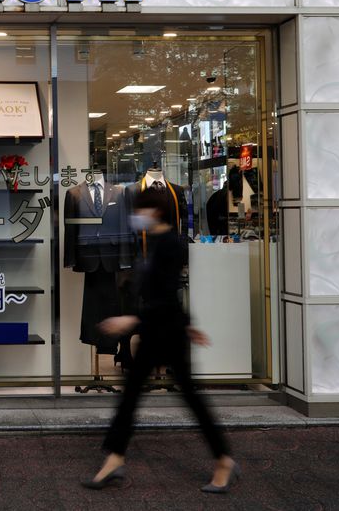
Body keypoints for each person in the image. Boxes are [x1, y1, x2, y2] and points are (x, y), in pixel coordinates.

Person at [82, 187, 238, 494]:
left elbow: (167, 296)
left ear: (156, 211)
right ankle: (114, 458)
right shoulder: (154, 242)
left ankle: (223, 459)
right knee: (130, 398)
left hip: (167, 332)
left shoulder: (171, 244)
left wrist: (132, 321)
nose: (137, 216)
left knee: (191, 399)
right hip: (157, 330)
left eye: (142, 210)